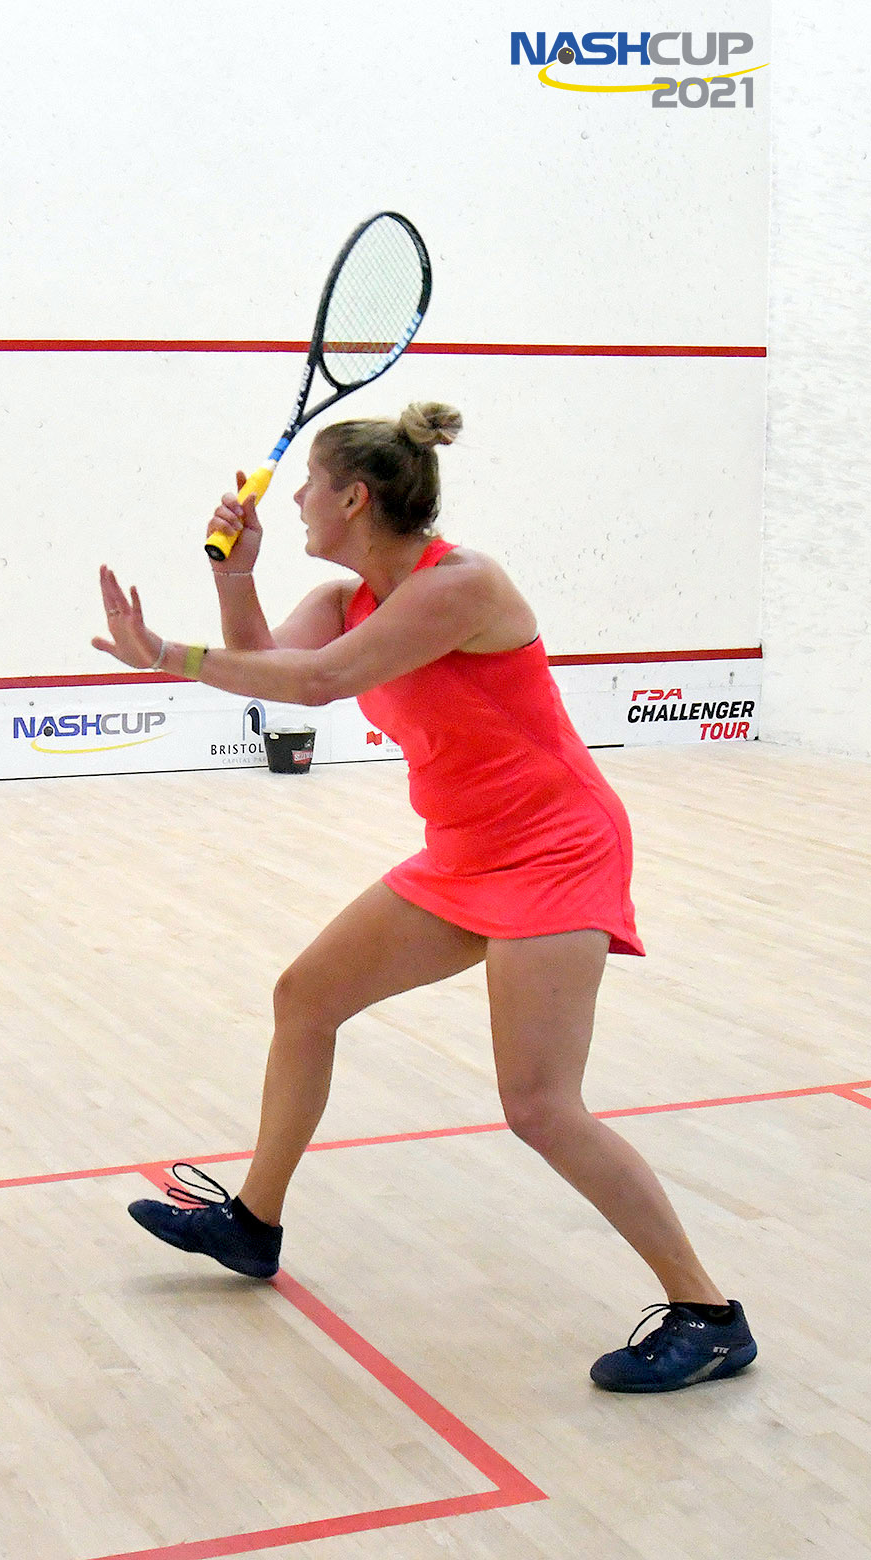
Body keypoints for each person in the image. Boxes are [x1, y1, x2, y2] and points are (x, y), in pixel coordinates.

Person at [90, 402, 756, 1393]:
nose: (297, 501)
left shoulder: (462, 585)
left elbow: (321, 683)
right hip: (465, 852)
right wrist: (235, 575)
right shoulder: (345, 597)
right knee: (305, 998)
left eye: (311, 486)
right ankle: (253, 1222)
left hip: (554, 849)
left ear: (355, 498)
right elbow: (274, 667)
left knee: (539, 1106)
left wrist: (164, 653)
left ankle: (709, 1314)